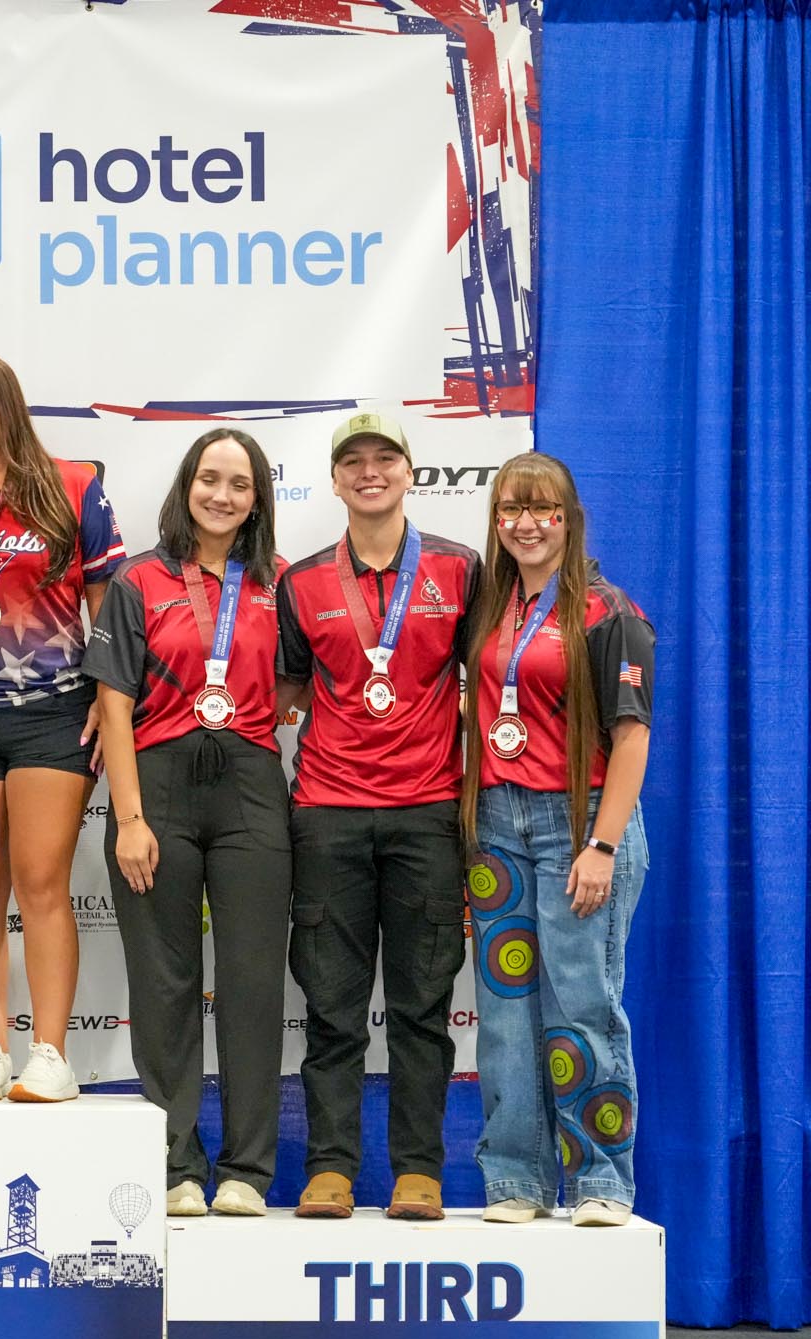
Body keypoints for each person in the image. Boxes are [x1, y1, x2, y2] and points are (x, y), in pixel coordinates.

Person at [276, 411, 480, 1219]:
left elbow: (491, 674)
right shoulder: (302, 583)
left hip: (428, 813)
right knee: (331, 1006)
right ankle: (330, 1167)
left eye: (385, 457)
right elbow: (288, 690)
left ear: (409, 471)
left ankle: (418, 1171)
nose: (370, 471)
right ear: (334, 480)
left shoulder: (460, 570)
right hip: (327, 812)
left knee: (422, 1006)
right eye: (353, 461)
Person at [85, 428, 288, 1214]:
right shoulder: (139, 579)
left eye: (240, 483)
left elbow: (304, 681)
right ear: (186, 486)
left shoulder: (280, 582)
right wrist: (129, 818)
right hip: (158, 786)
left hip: (251, 787)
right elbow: (113, 703)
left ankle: (246, 1171)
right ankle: (174, 1167)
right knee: (164, 981)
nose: (222, 495)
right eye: (210, 478)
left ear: (258, 499)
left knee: (251, 981)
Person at [0, 351, 123, 1102]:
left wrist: (109, 696)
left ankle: (50, 1053)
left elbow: (106, 604)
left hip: (54, 712)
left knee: (41, 884)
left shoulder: (74, 486)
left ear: (10, 405)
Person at [460, 452, 652, 1228]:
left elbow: (632, 736)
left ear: (569, 519)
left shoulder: (609, 611)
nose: (526, 523)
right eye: (511, 508)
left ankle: (603, 1178)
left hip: (580, 822)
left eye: (543, 509)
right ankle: (517, 1178)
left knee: (581, 1005)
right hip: (496, 824)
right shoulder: (490, 603)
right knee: (505, 1013)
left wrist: (602, 845)